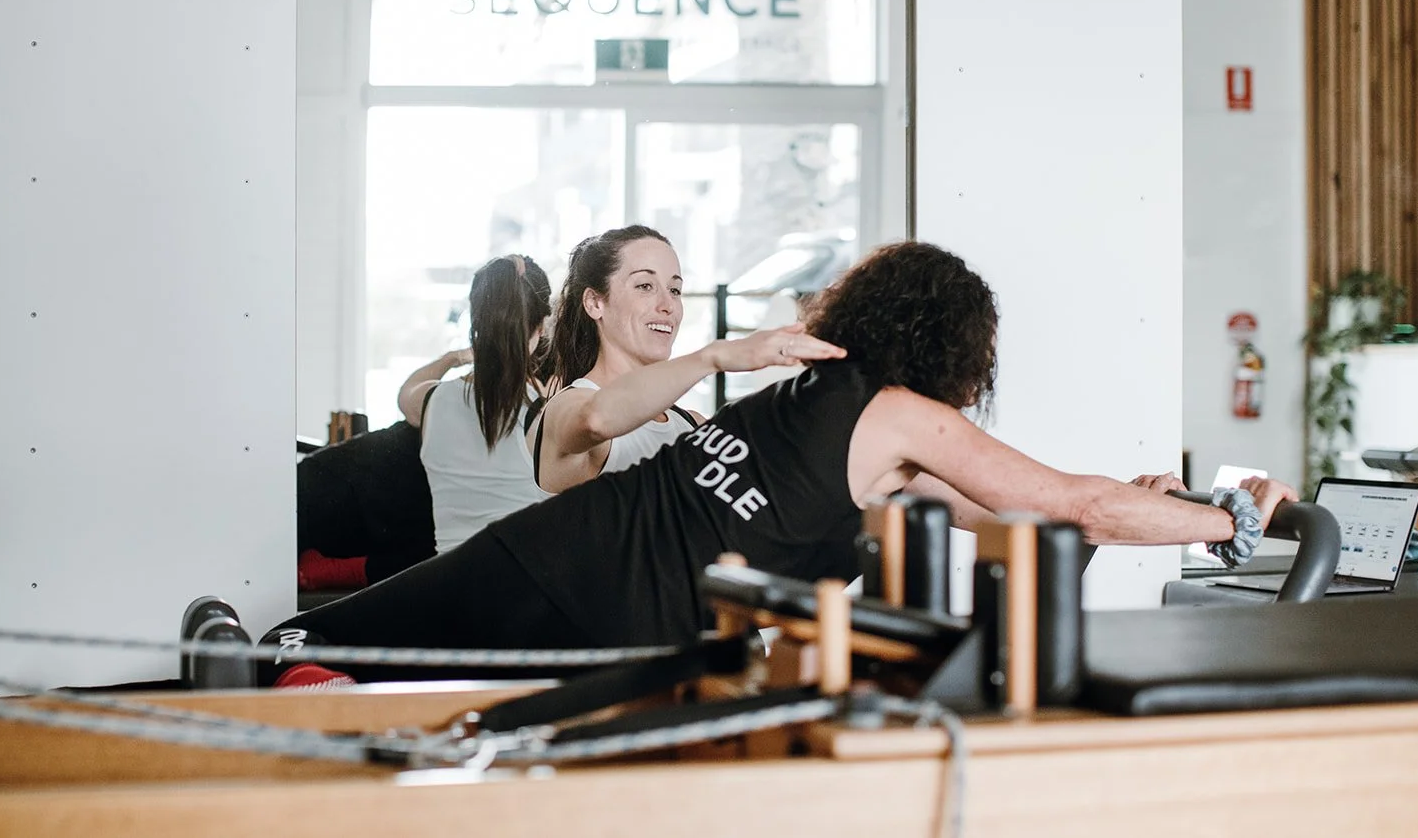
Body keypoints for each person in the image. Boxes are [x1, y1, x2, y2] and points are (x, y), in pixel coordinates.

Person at [257, 241, 1294, 687]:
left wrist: (1153, 498)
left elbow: (1026, 508)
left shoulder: (817, 392)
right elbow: (1070, 506)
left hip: (562, 550)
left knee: (308, 644)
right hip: (626, 607)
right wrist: (1231, 518)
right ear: (955, 348)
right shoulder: (894, 416)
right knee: (343, 662)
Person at [531, 225, 835, 494]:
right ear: (595, 303)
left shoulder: (691, 426)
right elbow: (596, 420)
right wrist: (712, 357)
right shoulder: (567, 408)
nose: (668, 305)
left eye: (675, 290)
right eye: (645, 286)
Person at [399, 254, 554, 554]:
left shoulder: (433, 401)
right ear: (541, 326)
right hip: (523, 590)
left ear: (477, 320)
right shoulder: (546, 412)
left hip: (449, 591)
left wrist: (454, 357)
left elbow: (406, 392)